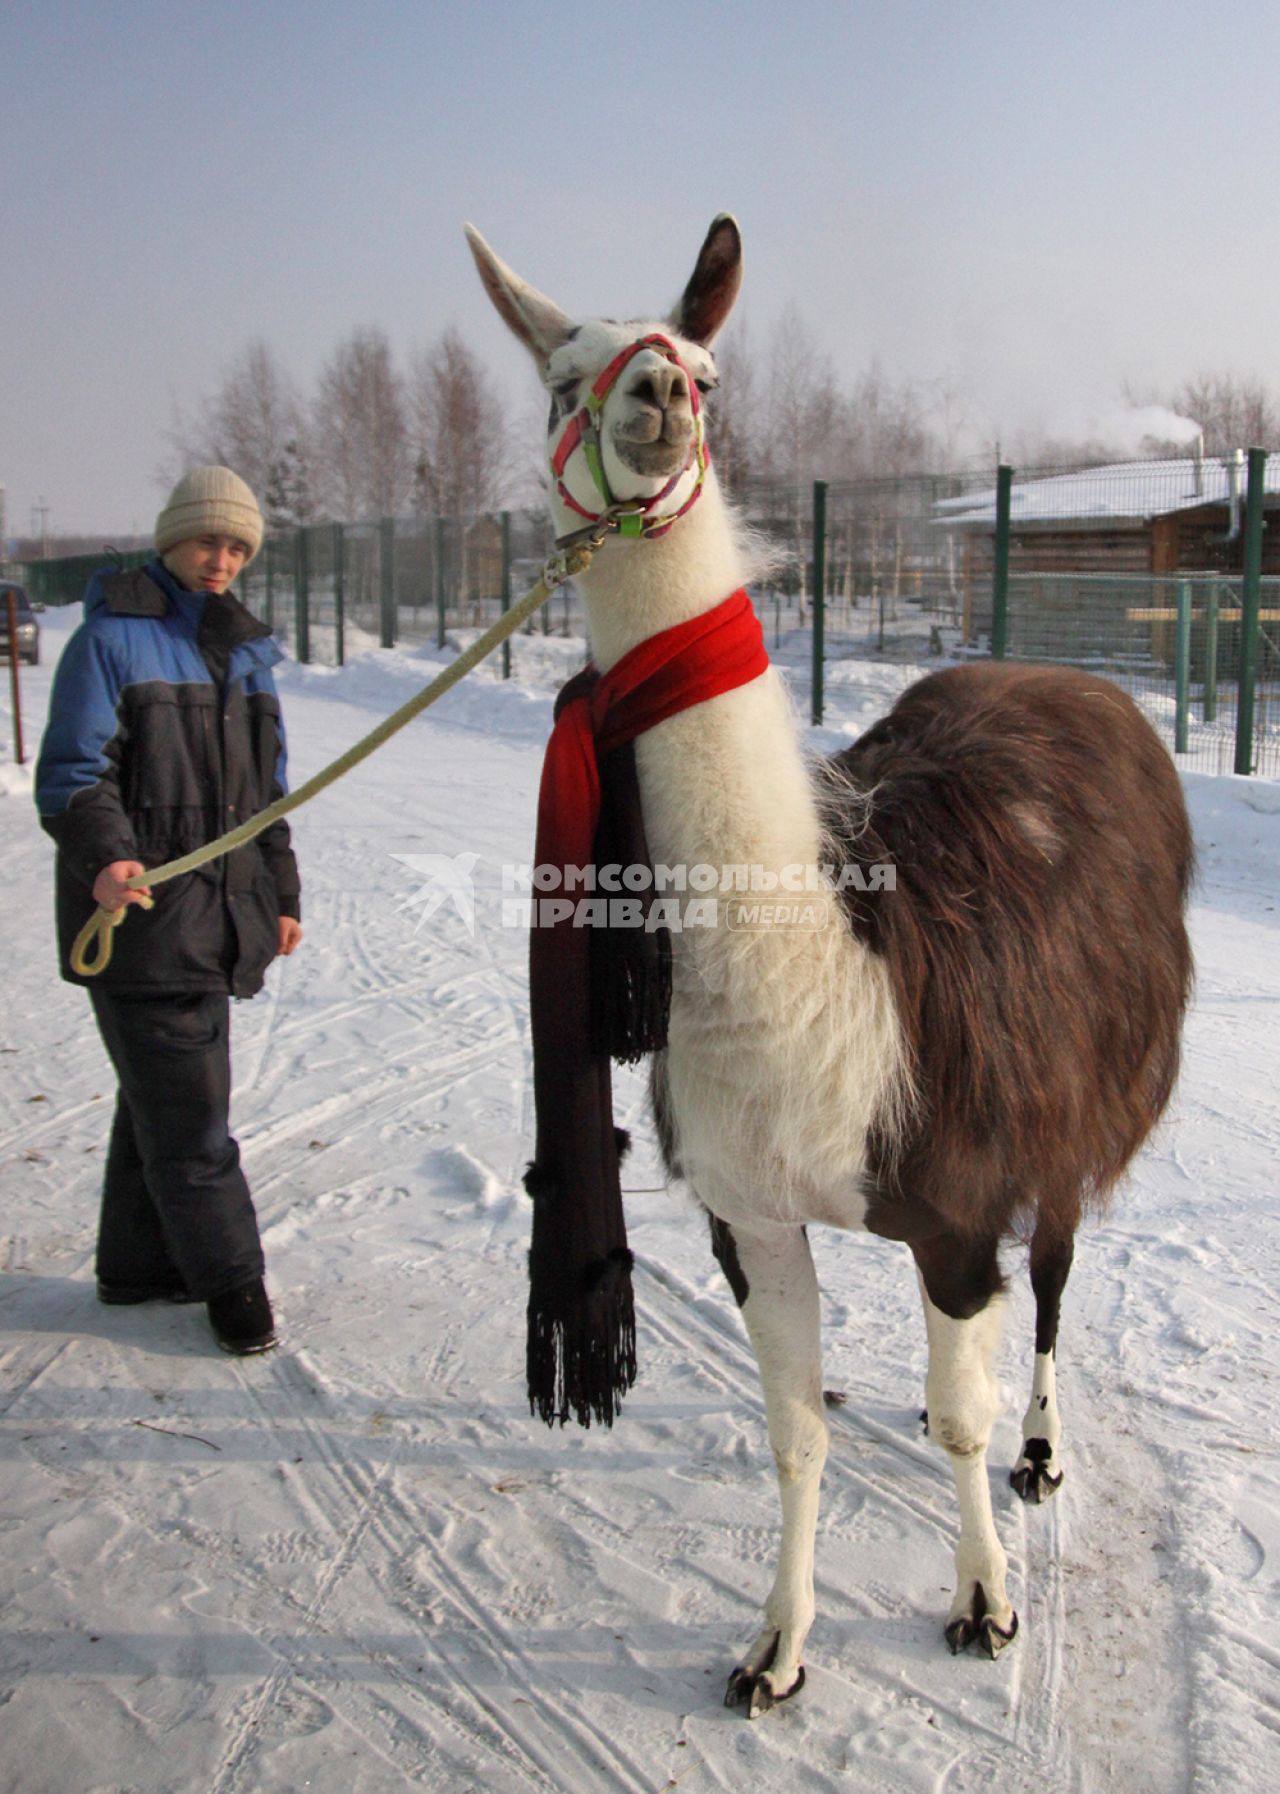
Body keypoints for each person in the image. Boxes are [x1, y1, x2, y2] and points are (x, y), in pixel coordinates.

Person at [35, 466, 302, 1354]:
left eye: (236, 546)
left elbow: (267, 792)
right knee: (192, 1122)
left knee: (164, 1101)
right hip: (145, 921)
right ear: (169, 541)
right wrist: (109, 857)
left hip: (219, 917)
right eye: (204, 541)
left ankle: (139, 1267)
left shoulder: (247, 649)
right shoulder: (111, 638)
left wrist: (282, 893)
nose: (219, 559)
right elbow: (73, 774)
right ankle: (235, 1290)